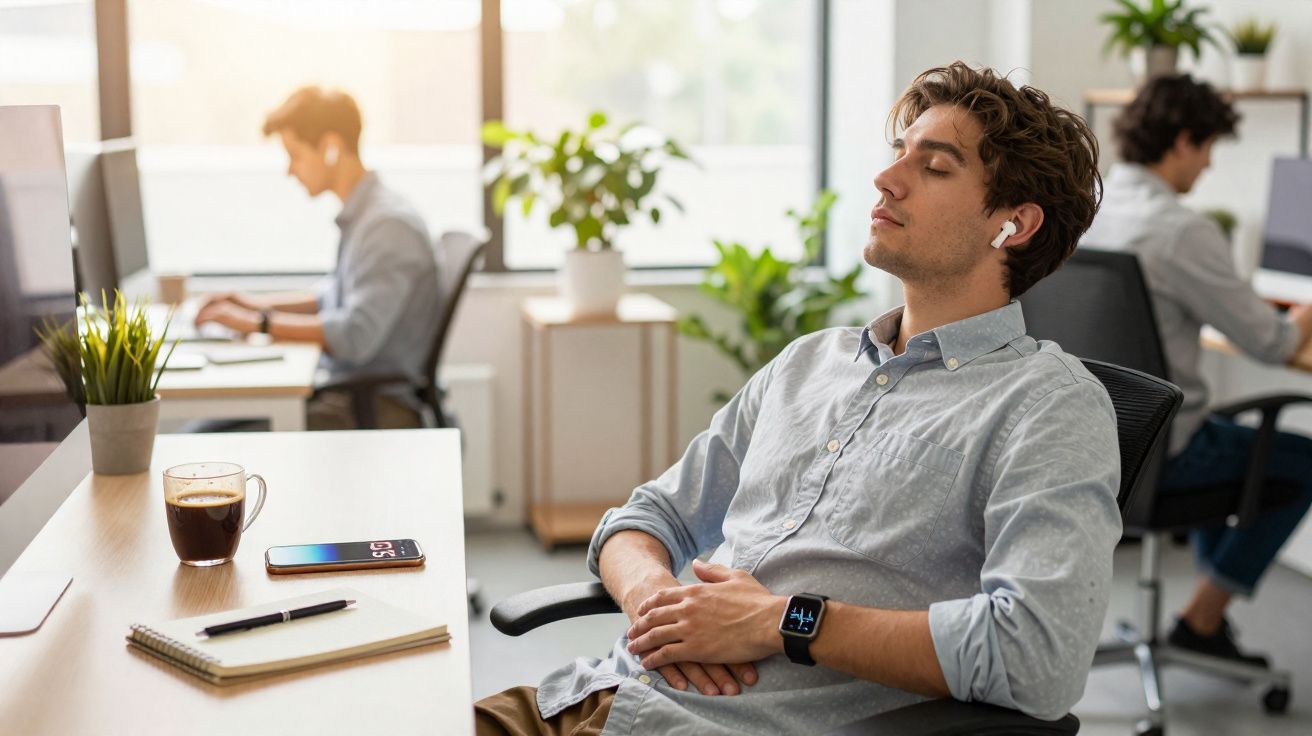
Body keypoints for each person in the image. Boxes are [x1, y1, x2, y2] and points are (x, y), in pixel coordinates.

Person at [475, 62, 1120, 735]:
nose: (887, 178)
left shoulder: (1047, 406)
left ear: (1012, 225)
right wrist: (655, 599)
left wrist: (782, 621)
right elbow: (648, 517)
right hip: (585, 699)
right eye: (900, 153)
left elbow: (1039, 657)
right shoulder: (810, 362)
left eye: (935, 167)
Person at [1081, 74, 1312, 666]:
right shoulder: (1182, 229)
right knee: (1297, 458)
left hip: (1088, 441)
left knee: (1230, 441)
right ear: (1183, 141)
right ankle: (1203, 618)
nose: (1208, 166)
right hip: (1164, 454)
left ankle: (1202, 625)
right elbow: (1270, 341)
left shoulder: (1087, 206)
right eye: (1208, 148)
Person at [196, 86, 441, 430]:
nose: (290, 171)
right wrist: (252, 305)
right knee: (210, 429)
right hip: (347, 395)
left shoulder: (388, 226)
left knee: (207, 438)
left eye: (295, 155)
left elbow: (355, 334)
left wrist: (258, 324)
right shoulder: (368, 216)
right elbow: (331, 298)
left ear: (330, 148)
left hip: (375, 409)